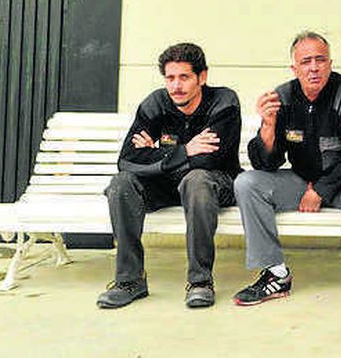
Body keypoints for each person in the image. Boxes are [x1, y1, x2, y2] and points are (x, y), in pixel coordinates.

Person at [233, 31, 341, 309]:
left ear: (330, 64)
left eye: (320, 60)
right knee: (247, 183)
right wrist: (268, 126)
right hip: (303, 181)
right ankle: (275, 274)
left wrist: (320, 191)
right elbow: (266, 164)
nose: (314, 67)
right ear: (294, 68)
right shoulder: (283, 96)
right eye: (306, 62)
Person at [97, 42, 242, 310]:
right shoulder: (156, 103)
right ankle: (130, 281)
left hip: (214, 184)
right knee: (121, 184)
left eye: (184, 77)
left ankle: (200, 282)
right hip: (166, 186)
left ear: (202, 77)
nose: (176, 86)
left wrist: (156, 155)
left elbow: (209, 159)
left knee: (196, 179)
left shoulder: (224, 101)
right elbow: (126, 160)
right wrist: (185, 151)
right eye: (170, 78)